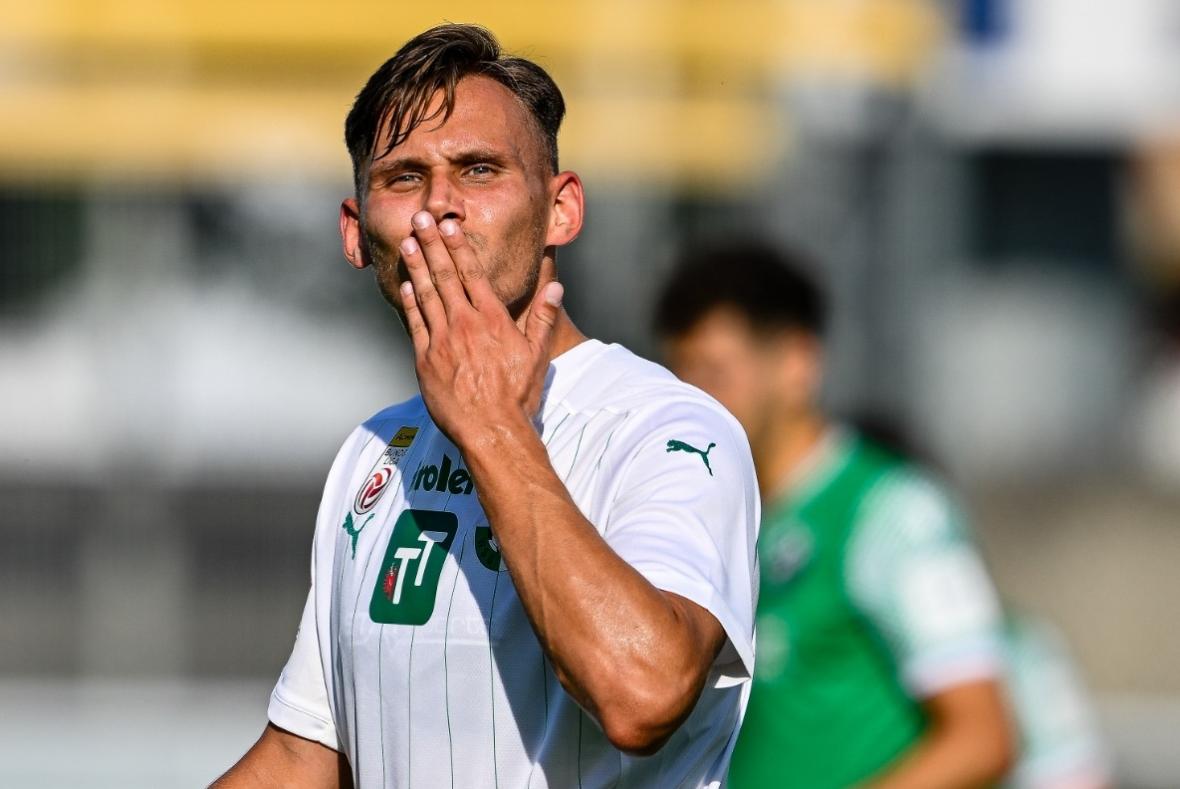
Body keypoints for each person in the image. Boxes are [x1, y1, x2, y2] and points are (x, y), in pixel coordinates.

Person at [214, 24, 759, 789]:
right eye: (403, 177)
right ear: (355, 231)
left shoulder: (670, 430)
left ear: (561, 210)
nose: (440, 208)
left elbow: (643, 694)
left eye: (478, 170)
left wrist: (493, 426)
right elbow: (304, 757)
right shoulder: (377, 450)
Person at [654, 241, 1016, 789]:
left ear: (798, 364)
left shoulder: (892, 511)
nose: (692, 396)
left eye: (715, 370)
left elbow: (983, 737)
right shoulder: (705, 513)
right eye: (680, 371)